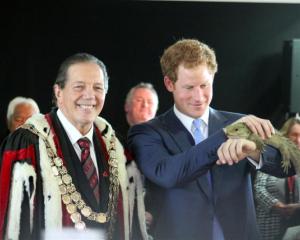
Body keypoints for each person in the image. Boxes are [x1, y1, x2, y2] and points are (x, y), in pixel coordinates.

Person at [127, 39, 296, 240]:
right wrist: (227, 134)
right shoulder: (147, 132)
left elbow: (292, 164)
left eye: (204, 85)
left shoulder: (241, 123)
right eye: (189, 87)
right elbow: (168, 174)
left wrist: (254, 150)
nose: (199, 97)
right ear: (169, 83)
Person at [0, 53, 148, 240]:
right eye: (79, 87)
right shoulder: (27, 145)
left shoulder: (117, 147)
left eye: (98, 88)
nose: (89, 95)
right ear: (58, 92)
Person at [254, 116, 300, 240]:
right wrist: (277, 206)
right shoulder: (272, 156)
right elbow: (258, 188)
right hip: (270, 226)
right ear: (285, 136)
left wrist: (296, 207)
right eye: (294, 135)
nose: (298, 140)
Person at [124, 82, 159, 234]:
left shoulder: (167, 147)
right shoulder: (112, 142)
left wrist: (154, 211)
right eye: (139, 100)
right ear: (127, 106)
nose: (145, 105)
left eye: (150, 102)